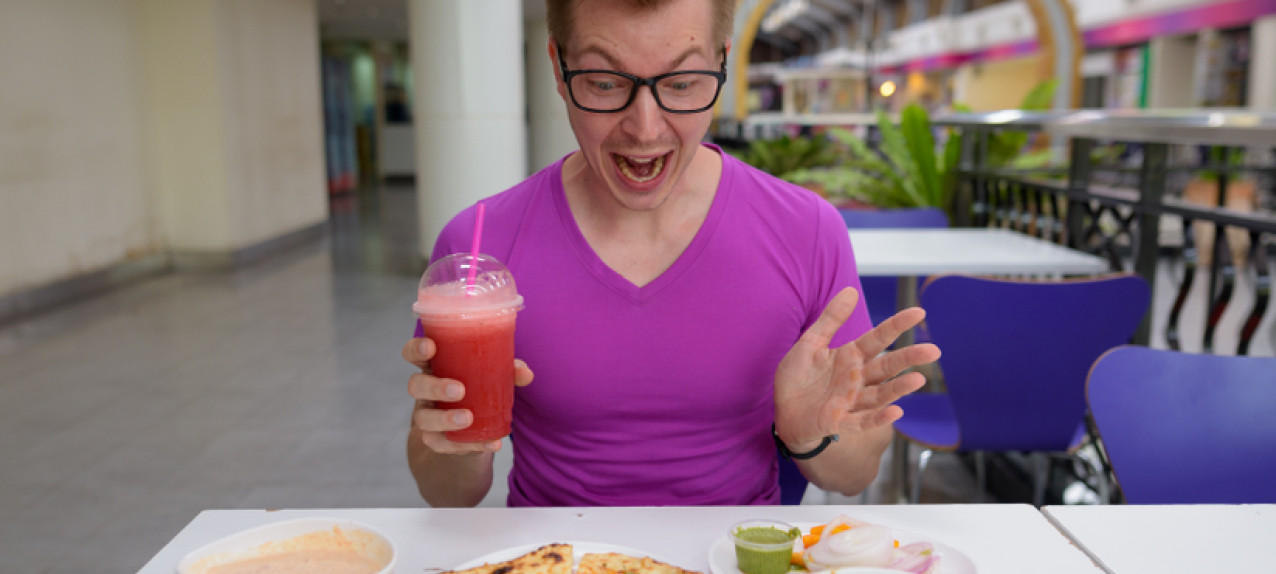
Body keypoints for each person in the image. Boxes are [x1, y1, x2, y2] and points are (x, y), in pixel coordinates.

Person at [402, 0, 941, 508]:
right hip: (553, 565)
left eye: (682, 84)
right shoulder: (478, 250)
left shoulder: (806, 230)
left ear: (722, 63)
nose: (645, 128)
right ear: (558, 68)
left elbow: (854, 476)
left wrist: (809, 437)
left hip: (734, 562)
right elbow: (447, 495)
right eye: (605, 82)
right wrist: (459, 441)